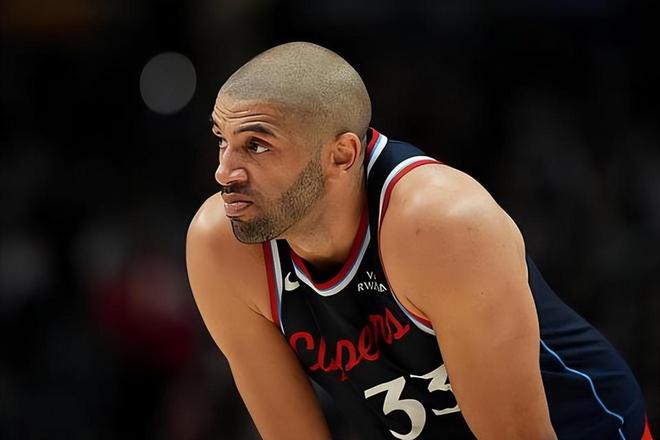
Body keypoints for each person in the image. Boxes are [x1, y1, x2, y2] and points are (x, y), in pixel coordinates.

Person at [186, 42, 652, 440]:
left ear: (341, 155)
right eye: (222, 140)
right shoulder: (221, 246)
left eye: (257, 145)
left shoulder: (441, 225)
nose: (224, 172)